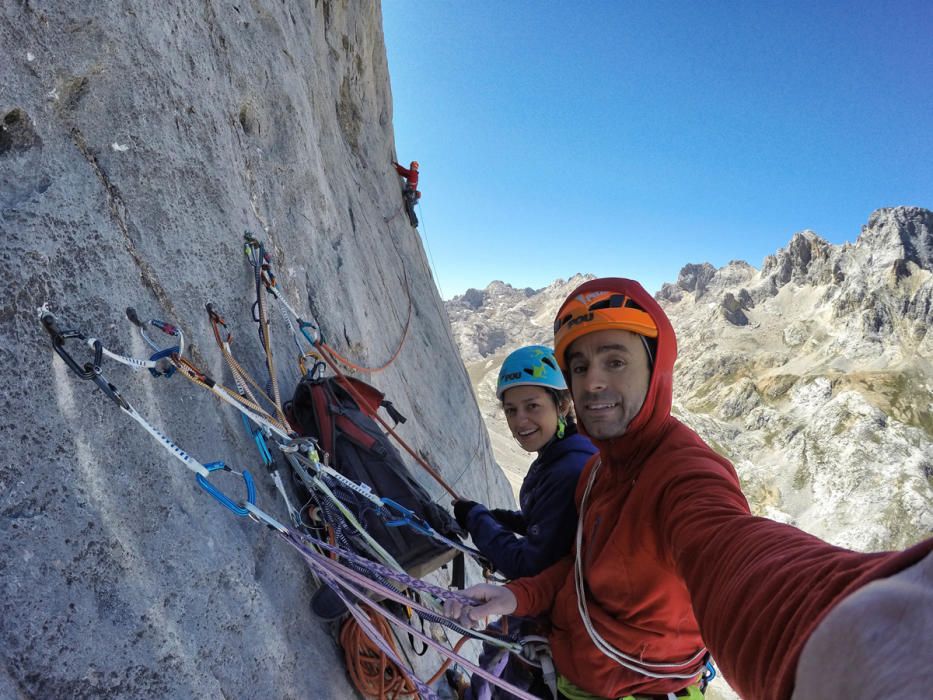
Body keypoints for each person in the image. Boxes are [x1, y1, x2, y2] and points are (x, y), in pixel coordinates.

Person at [445, 277, 933, 700]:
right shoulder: (597, 472)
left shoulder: (683, 472)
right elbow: (578, 574)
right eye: (579, 367)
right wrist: (517, 597)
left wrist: (851, 625)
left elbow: (731, 553)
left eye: (615, 361)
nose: (592, 383)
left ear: (655, 369)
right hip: (577, 670)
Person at [452, 345, 596, 698]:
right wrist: (500, 519)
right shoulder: (563, 451)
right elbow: (545, 524)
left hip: (547, 614)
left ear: (562, 405)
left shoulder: (568, 469)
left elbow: (528, 564)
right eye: (511, 410)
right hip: (554, 604)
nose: (520, 422)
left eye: (533, 407)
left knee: (511, 674)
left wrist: (478, 520)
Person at [393, 159, 421, 226]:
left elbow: (404, 171)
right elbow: (404, 173)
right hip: (412, 194)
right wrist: (397, 167)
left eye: (412, 166)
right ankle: (414, 221)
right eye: (411, 166)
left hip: (410, 194)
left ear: (414, 167)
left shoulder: (413, 173)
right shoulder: (413, 174)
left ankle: (415, 222)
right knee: (410, 208)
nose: (411, 167)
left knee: (409, 207)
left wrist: (397, 166)